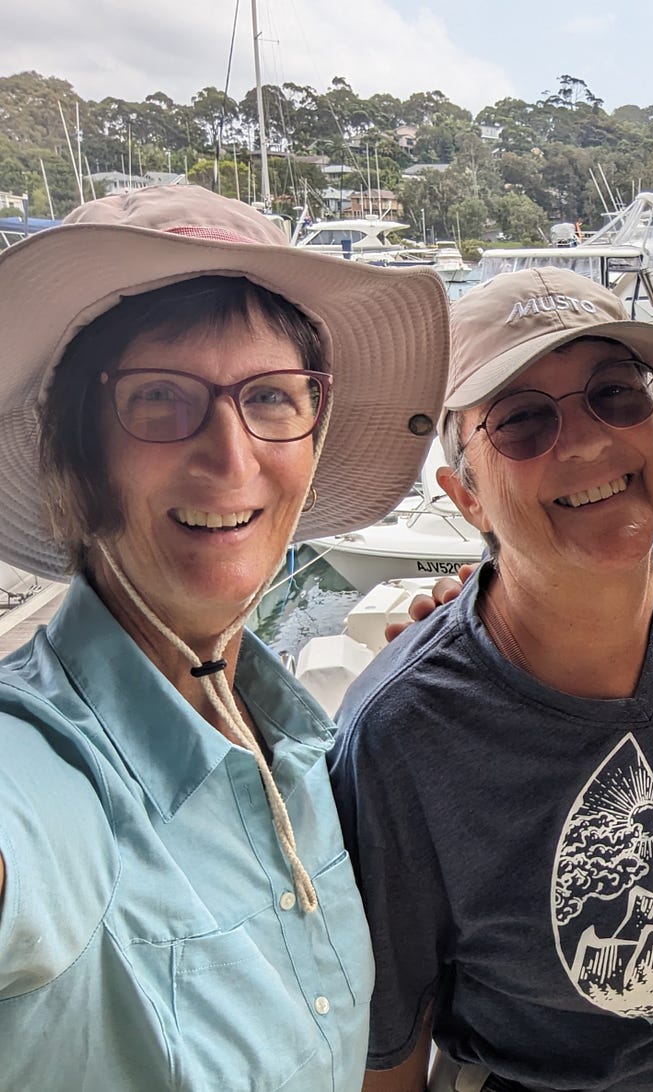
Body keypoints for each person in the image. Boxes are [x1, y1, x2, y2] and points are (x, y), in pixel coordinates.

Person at [329, 268, 653, 1092]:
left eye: (616, 394)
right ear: (467, 498)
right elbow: (385, 1055)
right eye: (523, 422)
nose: (588, 441)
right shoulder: (404, 737)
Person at [0, 185, 450, 1089]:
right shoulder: (42, 764)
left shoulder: (299, 748)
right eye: (159, 398)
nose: (232, 455)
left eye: (274, 397)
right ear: (75, 450)